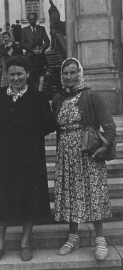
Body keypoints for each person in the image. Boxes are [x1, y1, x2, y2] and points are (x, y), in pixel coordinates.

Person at [0, 55, 55, 263]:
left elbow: (49, 125)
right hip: (4, 157)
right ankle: (0, 244)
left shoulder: (38, 97)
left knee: (29, 198)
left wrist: (23, 133)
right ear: (6, 75)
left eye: (19, 74)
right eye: (11, 74)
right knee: (2, 199)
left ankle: (25, 243)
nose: (16, 78)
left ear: (27, 74)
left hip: (29, 156)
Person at [52, 58, 116, 261]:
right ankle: (73, 238)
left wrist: (105, 147)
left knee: (92, 194)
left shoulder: (91, 95)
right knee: (71, 196)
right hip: (66, 157)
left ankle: (100, 241)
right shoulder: (58, 98)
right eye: (65, 73)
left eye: (73, 72)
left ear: (79, 73)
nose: (69, 77)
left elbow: (110, 126)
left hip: (88, 155)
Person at [21, 13, 50, 90]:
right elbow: (23, 43)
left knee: (41, 78)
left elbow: (47, 41)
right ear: (28, 20)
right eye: (30, 19)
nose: (31, 21)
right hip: (30, 57)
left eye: (33, 19)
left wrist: (42, 48)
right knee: (31, 78)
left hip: (40, 57)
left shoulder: (41, 29)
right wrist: (32, 49)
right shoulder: (24, 30)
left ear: (36, 19)